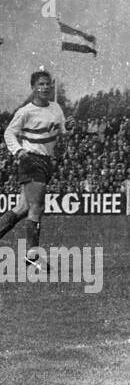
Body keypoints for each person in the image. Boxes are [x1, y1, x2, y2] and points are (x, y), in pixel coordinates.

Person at [1, 70, 66, 269]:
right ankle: (32, 256)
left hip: (47, 161)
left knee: (22, 208)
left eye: (48, 84)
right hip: (31, 160)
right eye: (41, 84)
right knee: (37, 206)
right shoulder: (25, 111)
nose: (45, 87)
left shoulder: (56, 108)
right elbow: (9, 133)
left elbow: (62, 130)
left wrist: (69, 127)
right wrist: (18, 150)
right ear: (33, 87)